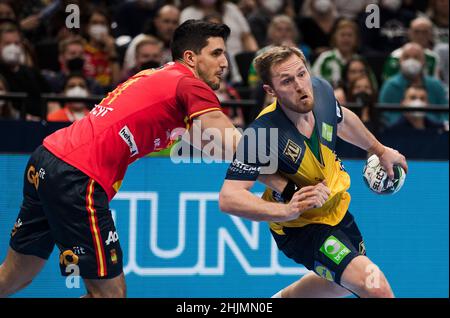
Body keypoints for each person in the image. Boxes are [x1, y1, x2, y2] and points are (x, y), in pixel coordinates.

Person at [0, 19, 247, 298]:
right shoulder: (189, 84)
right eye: (216, 53)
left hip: (46, 160)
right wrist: (283, 161)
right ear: (190, 57)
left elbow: (218, 147)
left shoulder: (158, 80)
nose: (225, 62)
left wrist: (280, 185)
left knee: (14, 276)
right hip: (79, 175)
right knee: (110, 294)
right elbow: (229, 137)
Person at [219, 46, 408, 298]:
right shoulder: (262, 134)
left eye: (301, 74)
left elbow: (342, 119)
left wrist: (379, 150)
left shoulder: (321, 91)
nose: (299, 85)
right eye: (286, 80)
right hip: (301, 228)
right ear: (270, 91)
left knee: (340, 285)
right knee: (375, 284)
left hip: (337, 209)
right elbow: (229, 197)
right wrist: (287, 210)